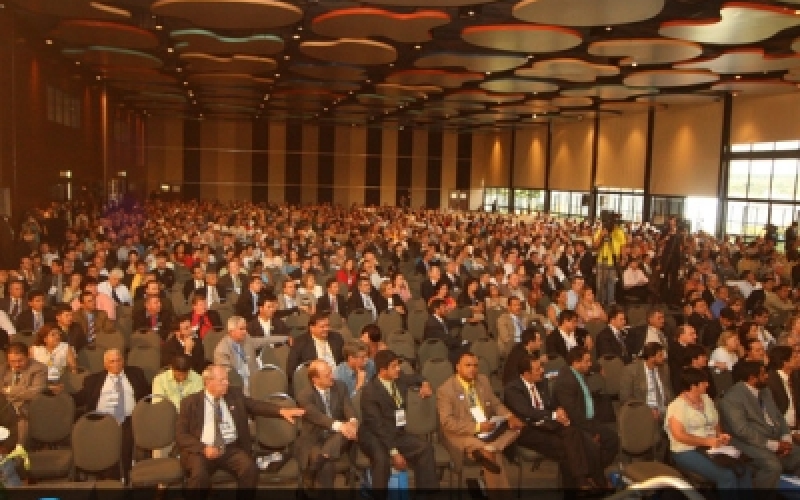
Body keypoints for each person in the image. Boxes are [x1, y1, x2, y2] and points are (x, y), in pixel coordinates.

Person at [175, 364, 305, 492]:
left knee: (249, 469)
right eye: (222, 380)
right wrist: (203, 448)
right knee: (199, 475)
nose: (227, 383)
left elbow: (255, 405)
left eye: (227, 379)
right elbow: (181, 435)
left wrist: (281, 411)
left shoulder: (234, 394)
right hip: (202, 451)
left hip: (229, 448)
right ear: (208, 382)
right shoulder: (190, 403)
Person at [504, 354, 606, 489]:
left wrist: (559, 410)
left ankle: (585, 481)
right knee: (568, 448)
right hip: (527, 429)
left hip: (547, 424)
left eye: (541, 366)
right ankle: (584, 482)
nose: (542, 371)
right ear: (526, 374)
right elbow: (527, 412)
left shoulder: (542, 383)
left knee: (575, 432)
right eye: (537, 369)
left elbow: (550, 405)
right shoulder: (512, 389)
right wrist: (553, 414)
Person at [437, 352, 524, 495]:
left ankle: (491, 447)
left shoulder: (483, 380)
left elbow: (496, 404)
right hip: (460, 432)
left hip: (486, 428)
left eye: (475, 366)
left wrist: (509, 416)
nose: (472, 369)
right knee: (490, 454)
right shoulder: (446, 390)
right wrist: (477, 427)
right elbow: (448, 423)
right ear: (457, 367)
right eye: (468, 365)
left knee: (516, 427)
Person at [358, 349, 438, 493]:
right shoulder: (370, 392)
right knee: (382, 460)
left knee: (425, 449)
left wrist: (425, 384)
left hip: (396, 432)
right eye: (394, 366)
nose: (398, 369)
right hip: (374, 436)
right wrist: (394, 453)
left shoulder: (399, 378)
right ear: (383, 370)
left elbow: (416, 377)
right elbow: (378, 426)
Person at [665, 367, 752, 499]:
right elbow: (679, 435)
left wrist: (720, 436)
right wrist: (707, 441)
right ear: (693, 386)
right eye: (704, 382)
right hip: (686, 450)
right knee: (726, 475)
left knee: (743, 468)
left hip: (711, 446)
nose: (708, 384)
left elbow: (715, 422)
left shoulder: (706, 399)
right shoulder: (676, 406)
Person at [720, 360, 800, 488]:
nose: (767, 376)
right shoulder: (732, 398)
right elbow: (742, 430)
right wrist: (774, 445)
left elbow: (778, 415)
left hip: (774, 437)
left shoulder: (765, 390)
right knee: (772, 466)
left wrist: (786, 438)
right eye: (763, 374)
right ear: (752, 378)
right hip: (747, 442)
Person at [75, 348, 150, 483]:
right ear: (105, 364)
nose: (116, 364)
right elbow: (78, 398)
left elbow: (148, 394)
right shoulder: (93, 380)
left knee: (126, 443)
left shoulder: (136, 374)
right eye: (112, 361)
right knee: (107, 444)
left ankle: (126, 479)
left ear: (123, 361)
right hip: (101, 422)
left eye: (118, 360)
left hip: (129, 420)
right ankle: (111, 480)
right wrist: (58, 394)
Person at [551, 346, 619, 469]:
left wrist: (598, 368)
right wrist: (591, 431)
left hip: (589, 421)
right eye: (587, 361)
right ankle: (594, 474)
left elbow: (592, 366)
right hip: (576, 426)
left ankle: (594, 471)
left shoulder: (578, 373)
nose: (590, 364)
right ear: (576, 362)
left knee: (613, 439)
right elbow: (573, 413)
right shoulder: (566, 381)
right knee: (594, 446)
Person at [295, 359, 358, 489]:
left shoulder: (340, 386)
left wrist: (352, 421)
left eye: (331, 372)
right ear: (315, 379)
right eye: (327, 375)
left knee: (346, 433)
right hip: (315, 439)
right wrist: (342, 426)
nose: (332, 377)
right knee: (327, 467)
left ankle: (313, 468)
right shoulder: (304, 396)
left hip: (340, 437)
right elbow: (318, 417)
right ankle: (322, 461)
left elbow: (348, 407)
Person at [0, 342, 47, 448]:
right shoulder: (2, 369)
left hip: (24, 410)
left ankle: (18, 457)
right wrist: (21, 391)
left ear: (28, 357)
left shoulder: (39, 368)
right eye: (12, 361)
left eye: (20, 360)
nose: (16, 364)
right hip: (3, 409)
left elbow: (33, 393)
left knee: (21, 424)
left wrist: (7, 390)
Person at [213, 316, 273, 395]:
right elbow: (227, 376)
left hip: (253, 380)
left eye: (245, 328)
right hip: (236, 386)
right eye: (241, 329)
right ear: (231, 331)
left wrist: (285, 338)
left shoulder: (246, 338)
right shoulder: (221, 350)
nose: (245, 332)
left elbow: (263, 340)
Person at [286, 312, 345, 377]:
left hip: (338, 378)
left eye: (327, 325)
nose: (326, 329)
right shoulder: (300, 343)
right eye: (322, 327)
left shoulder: (336, 337)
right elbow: (291, 369)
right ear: (312, 328)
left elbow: (344, 361)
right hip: (314, 381)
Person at [423, 298, 470, 366]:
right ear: (436, 309)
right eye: (444, 307)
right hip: (439, 351)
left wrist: (465, 320)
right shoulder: (432, 324)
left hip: (446, 346)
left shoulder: (441, 319)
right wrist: (462, 342)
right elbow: (446, 339)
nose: (446, 309)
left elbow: (451, 322)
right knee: (466, 348)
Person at [766, 345, 800, 431]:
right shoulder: (769, 381)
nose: (798, 359)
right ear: (785, 362)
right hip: (779, 430)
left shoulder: (795, 377)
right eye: (794, 357)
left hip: (795, 427)